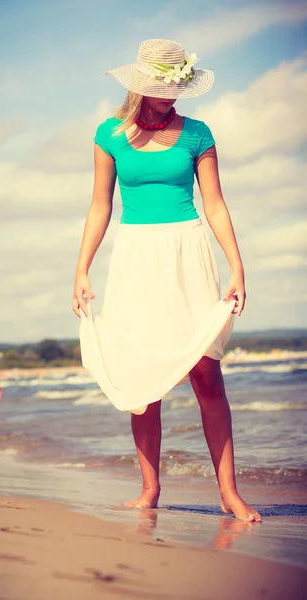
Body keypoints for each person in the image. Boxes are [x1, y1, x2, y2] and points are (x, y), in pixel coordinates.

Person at [73, 39, 262, 523]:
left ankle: (229, 494)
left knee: (206, 373)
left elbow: (215, 205)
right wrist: (82, 268)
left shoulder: (198, 134)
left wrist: (237, 265)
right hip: (135, 255)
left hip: (189, 249)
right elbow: (100, 207)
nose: (171, 96)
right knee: (142, 377)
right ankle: (150, 490)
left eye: (176, 87)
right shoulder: (109, 135)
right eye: (162, 87)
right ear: (139, 87)